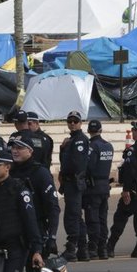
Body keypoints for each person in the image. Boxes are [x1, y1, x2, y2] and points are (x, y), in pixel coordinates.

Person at [8, 131, 61, 272]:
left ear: (30, 151)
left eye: (20, 147)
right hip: (12, 235)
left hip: (35, 235)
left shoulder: (40, 174)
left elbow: (53, 208)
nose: (15, 150)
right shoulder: (8, 171)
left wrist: (50, 237)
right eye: (13, 146)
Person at [107, 120, 137, 258]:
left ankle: (110, 247)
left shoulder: (133, 150)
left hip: (133, 189)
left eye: (134, 129)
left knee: (120, 218)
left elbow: (129, 171)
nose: (132, 131)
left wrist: (126, 190)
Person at [58, 111, 90, 261]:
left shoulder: (79, 140)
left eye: (75, 121)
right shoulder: (71, 140)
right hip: (70, 182)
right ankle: (82, 248)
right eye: (69, 121)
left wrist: (65, 173)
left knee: (72, 215)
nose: (72, 123)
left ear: (80, 123)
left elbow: (76, 164)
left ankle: (72, 247)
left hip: (74, 182)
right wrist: (63, 148)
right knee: (76, 215)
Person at [83, 120, 113, 259]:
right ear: (100, 130)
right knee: (102, 219)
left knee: (93, 219)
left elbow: (88, 167)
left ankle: (93, 248)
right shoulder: (108, 146)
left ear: (89, 131)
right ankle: (103, 248)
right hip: (104, 186)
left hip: (93, 187)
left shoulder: (92, 146)